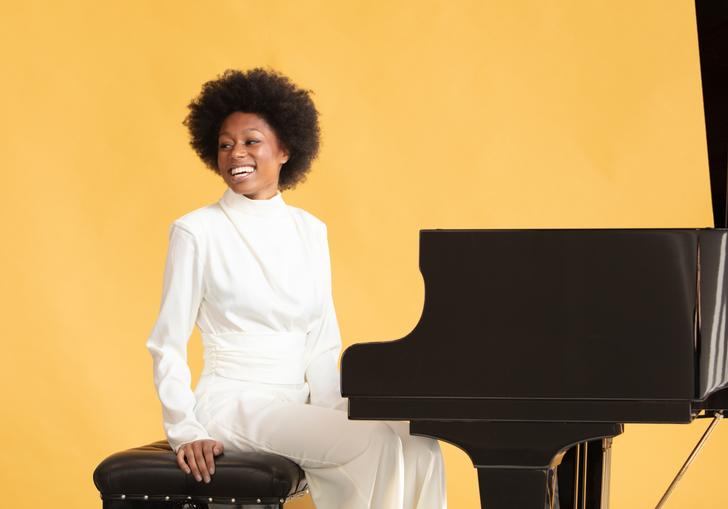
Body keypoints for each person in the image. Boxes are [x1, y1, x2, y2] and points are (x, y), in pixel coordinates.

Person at [145, 68, 447, 509]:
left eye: (251, 141)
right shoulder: (196, 232)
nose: (236, 154)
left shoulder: (311, 230)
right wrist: (185, 430)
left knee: (419, 441)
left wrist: (334, 413)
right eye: (225, 145)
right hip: (234, 403)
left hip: (298, 403)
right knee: (371, 445)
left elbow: (323, 342)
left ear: (285, 148)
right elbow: (165, 344)